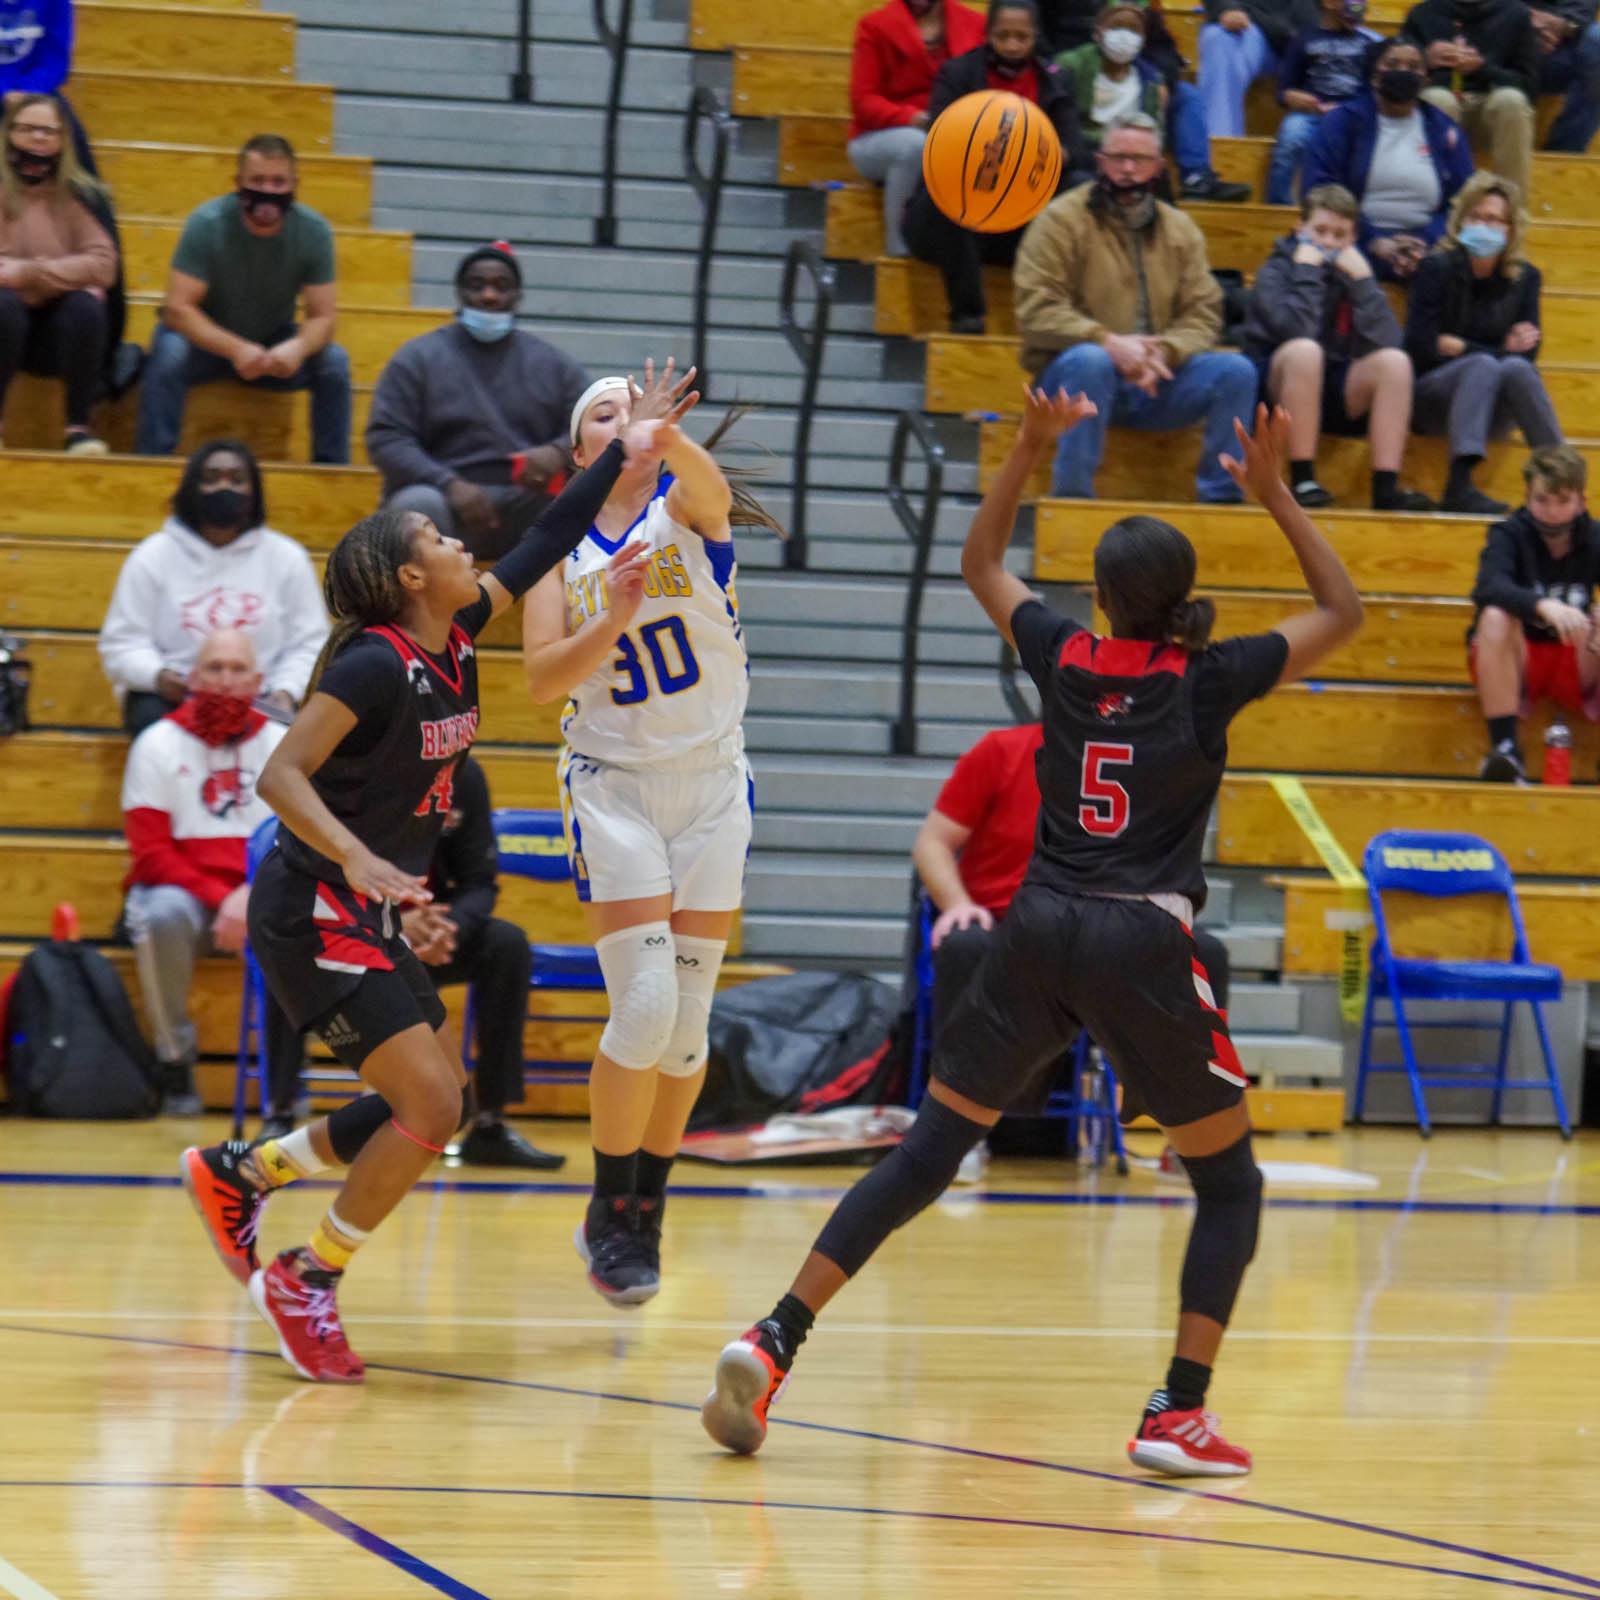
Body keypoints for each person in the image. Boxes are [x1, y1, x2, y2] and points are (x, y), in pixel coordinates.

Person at [699, 389, 1365, 1473]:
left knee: (927, 1151)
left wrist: (1026, 449)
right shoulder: (1206, 680)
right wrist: (1277, 495)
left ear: (1098, 598)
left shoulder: (1066, 657)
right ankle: (1177, 1411)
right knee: (1230, 1184)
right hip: (1140, 940)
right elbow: (1342, 611)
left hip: (1036, 927)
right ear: (1182, 602)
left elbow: (978, 563)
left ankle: (776, 1335)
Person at [176, 389, 689, 1383]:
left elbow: (549, 534)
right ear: (412, 577)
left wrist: (625, 458)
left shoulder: (455, 635)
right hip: (311, 908)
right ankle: (306, 1277)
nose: (463, 546)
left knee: (430, 1097)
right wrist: (357, 858)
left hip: (364, 909)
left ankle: (245, 1172)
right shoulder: (373, 665)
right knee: (429, 1103)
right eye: (441, 540)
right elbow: (280, 775)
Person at [523, 367, 780, 1309]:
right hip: (615, 790)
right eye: (604, 411)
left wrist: (668, 440)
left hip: (711, 785)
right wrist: (615, 616)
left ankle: (648, 1209)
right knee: (643, 1008)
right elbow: (544, 680)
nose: (624, 416)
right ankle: (606, 1206)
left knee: (687, 1029)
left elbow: (708, 489)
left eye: (635, 405)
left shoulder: (686, 512)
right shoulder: (556, 547)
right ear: (579, 449)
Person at [915, 716, 1235, 1079]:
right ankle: (961, 1097)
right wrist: (957, 904)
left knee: (1204, 953)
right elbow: (932, 843)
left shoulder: (1148, 764)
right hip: (1007, 928)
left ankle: (1188, 1103)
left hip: (1104, 930)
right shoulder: (1001, 750)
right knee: (965, 945)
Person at [1015, 113, 1259, 501]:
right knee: (1091, 360)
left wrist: (1165, 351)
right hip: (1071, 378)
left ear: (1159, 167)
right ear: (1100, 162)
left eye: (1140, 159)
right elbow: (1035, 310)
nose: (1128, 170)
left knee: (1237, 371)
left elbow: (1204, 313)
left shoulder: (1181, 230)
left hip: (1156, 379)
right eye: (1119, 157)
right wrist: (1108, 343)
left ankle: (1222, 500)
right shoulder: (1059, 220)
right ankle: (1072, 499)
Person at [122, 627, 299, 1117]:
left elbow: (300, 842)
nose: (224, 680)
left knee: (303, 912)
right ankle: (174, 1061)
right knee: (159, 914)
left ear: (259, 683)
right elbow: (150, 853)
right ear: (193, 678)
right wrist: (225, 899)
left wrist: (253, 894)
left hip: (265, 894)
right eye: (214, 668)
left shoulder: (285, 745)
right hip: (188, 900)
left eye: (238, 669)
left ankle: (286, 1076)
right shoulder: (156, 743)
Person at [366, 241, 590, 564]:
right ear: (460, 293)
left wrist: (558, 452)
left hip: (526, 503)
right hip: (443, 500)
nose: (489, 295)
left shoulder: (554, 364)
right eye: (477, 285)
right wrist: (450, 484)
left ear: (518, 295)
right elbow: (386, 437)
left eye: (501, 286)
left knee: (581, 504)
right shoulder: (417, 358)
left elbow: (595, 421)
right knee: (416, 507)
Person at [134, 134, 350, 464]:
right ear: (238, 183)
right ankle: (151, 463)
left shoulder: (313, 231)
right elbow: (177, 310)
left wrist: (297, 348)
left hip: (270, 343)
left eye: (278, 182)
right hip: (204, 341)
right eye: (257, 180)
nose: (268, 190)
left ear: (295, 185)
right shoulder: (207, 223)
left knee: (334, 361)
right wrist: (237, 349)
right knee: (169, 351)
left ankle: (332, 472)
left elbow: (323, 318)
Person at [98, 438, 329, 736]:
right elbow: (121, 643)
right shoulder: (151, 556)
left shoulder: (288, 558)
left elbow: (310, 644)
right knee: (147, 714)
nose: (224, 487)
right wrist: (159, 676)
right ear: (191, 488)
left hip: (260, 697)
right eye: (211, 478)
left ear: (255, 492)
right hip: (177, 695)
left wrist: (286, 691)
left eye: (237, 480)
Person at [404, 753, 565, 1169]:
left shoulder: (463, 773)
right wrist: (394, 925)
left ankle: (489, 1125)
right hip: (360, 924)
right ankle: (281, 1111)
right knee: (283, 934)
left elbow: (479, 880)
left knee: (506, 945)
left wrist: (448, 928)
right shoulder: (363, 763)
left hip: (434, 929)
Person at [1240, 183, 1434, 510]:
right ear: (1300, 229)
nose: (1328, 242)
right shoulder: (1275, 271)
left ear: (1353, 238)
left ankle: (1386, 488)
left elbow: (1390, 340)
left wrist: (1365, 284)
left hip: (1332, 388)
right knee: (1306, 351)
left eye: (1339, 235)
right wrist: (1307, 272)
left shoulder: (1352, 273)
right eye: (1320, 231)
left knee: (1395, 362)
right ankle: (1303, 478)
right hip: (1277, 391)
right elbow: (1297, 330)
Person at [902, 0, 1090, 334]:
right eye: (1003, 36)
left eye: (1022, 37)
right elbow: (940, 137)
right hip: (953, 217)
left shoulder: (1055, 80)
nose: (1012, 45)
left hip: (1019, 215)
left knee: (1080, 185)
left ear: (1035, 36)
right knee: (947, 190)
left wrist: (1051, 153)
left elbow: (1075, 149)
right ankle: (967, 316)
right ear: (988, 34)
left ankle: (1065, 314)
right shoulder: (957, 73)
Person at [1403, 170, 1562, 515]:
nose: (1482, 225)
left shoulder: (1525, 278)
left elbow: (1528, 354)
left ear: (1510, 229)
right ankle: (1458, 485)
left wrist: (1462, 347)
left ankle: (1562, 480)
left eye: (1492, 219)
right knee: (1486, 364)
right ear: (1460, 222)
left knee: (1517, 369)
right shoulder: (1436, 268)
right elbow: (1420, 346)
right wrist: (1497, 350)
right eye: (1474, 216)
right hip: (1433, 399)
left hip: (1492, 408)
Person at [1469, 444, 1600, 780]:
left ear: (1581, 501)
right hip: (1520, 660)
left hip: (1575, 657)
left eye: (1563, 501)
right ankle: (1506, 750)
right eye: (1542, 500)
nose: (1552, 512)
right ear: (1527, 498)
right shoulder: (1507, 534)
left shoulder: (1595, 537)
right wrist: (1542, 605)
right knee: (1494, 616)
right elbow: (1487, 587)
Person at [1301, 37, 1474, 281]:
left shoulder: (1443, 128)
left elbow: (1465, 198)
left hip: (1427, 246)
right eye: (1392, 64)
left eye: (1413, 66)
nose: (1403, 71)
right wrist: (1373, 240)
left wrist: (1426, 242)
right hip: (1353, 238)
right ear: (1374, 76)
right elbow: (1319, 189)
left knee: (1457, 266)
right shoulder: (1342, 122)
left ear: (1426, 79)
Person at [0, 92, 113, 452]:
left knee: (87, 307)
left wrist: (28, 273)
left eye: (48, 131)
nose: (38, 138)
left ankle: (78, 430)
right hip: (5, 321)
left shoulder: (81, 195)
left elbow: (104, 265)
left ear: (63, 141)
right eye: (27, 129)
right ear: (8, 134)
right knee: (4, 307)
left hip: (55, 331)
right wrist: (67, 273)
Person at [1055, 4, 1251, 203]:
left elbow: (1165, 52)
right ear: (1097, 33)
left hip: (1130, 150)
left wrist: (1164, 81)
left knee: (1186, 97)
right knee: (1081, 182)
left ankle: (1196, 178)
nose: (1124, 37)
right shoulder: (1072, 66)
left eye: (1133, 30)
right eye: (1117, 28)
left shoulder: (1149, 76)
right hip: (1086, 152)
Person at [846, 0, 987, 258]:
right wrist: (915, 119)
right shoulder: (875, 26)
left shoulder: (977, 24)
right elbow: (863, 101)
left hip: (956, 133)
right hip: (880, 136)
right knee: (916, 146)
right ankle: (899, 249)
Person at [1403, 0, 1539, 211]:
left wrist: (1482, 68)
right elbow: (1399, 82)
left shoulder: (1516, 14)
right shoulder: (1422, 14)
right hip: (1443, 110)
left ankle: (1513, 212)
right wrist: (1423, 61)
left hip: (1491, 116)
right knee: (1437, 99)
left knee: (1511, 100)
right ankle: (1437, 209)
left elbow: (1530, 87)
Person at [1267, 0, 1383, 204]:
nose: (1358, 4)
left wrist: (1349, 109)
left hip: (1353, 115)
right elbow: (1284, 90)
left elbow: (1372, 91)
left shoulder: (1369, 43)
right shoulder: (1303, 39)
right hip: (1311, 114)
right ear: (1328, 3)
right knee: (1291, 136)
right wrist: (1292, 97)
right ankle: (1281, 208)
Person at [1195, 0, 1319, 140]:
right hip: (1254, 25)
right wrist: (1227, 8)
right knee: (1219, 39)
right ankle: (1221, 145)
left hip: (1315, 33)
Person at [1533, 0, 1600, 157]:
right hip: (1504, 32)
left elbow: (1581, 12)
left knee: (1597, 40)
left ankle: (1564, 152)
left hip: (1561, 45)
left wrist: (1564, 24)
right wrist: (1523, 18)